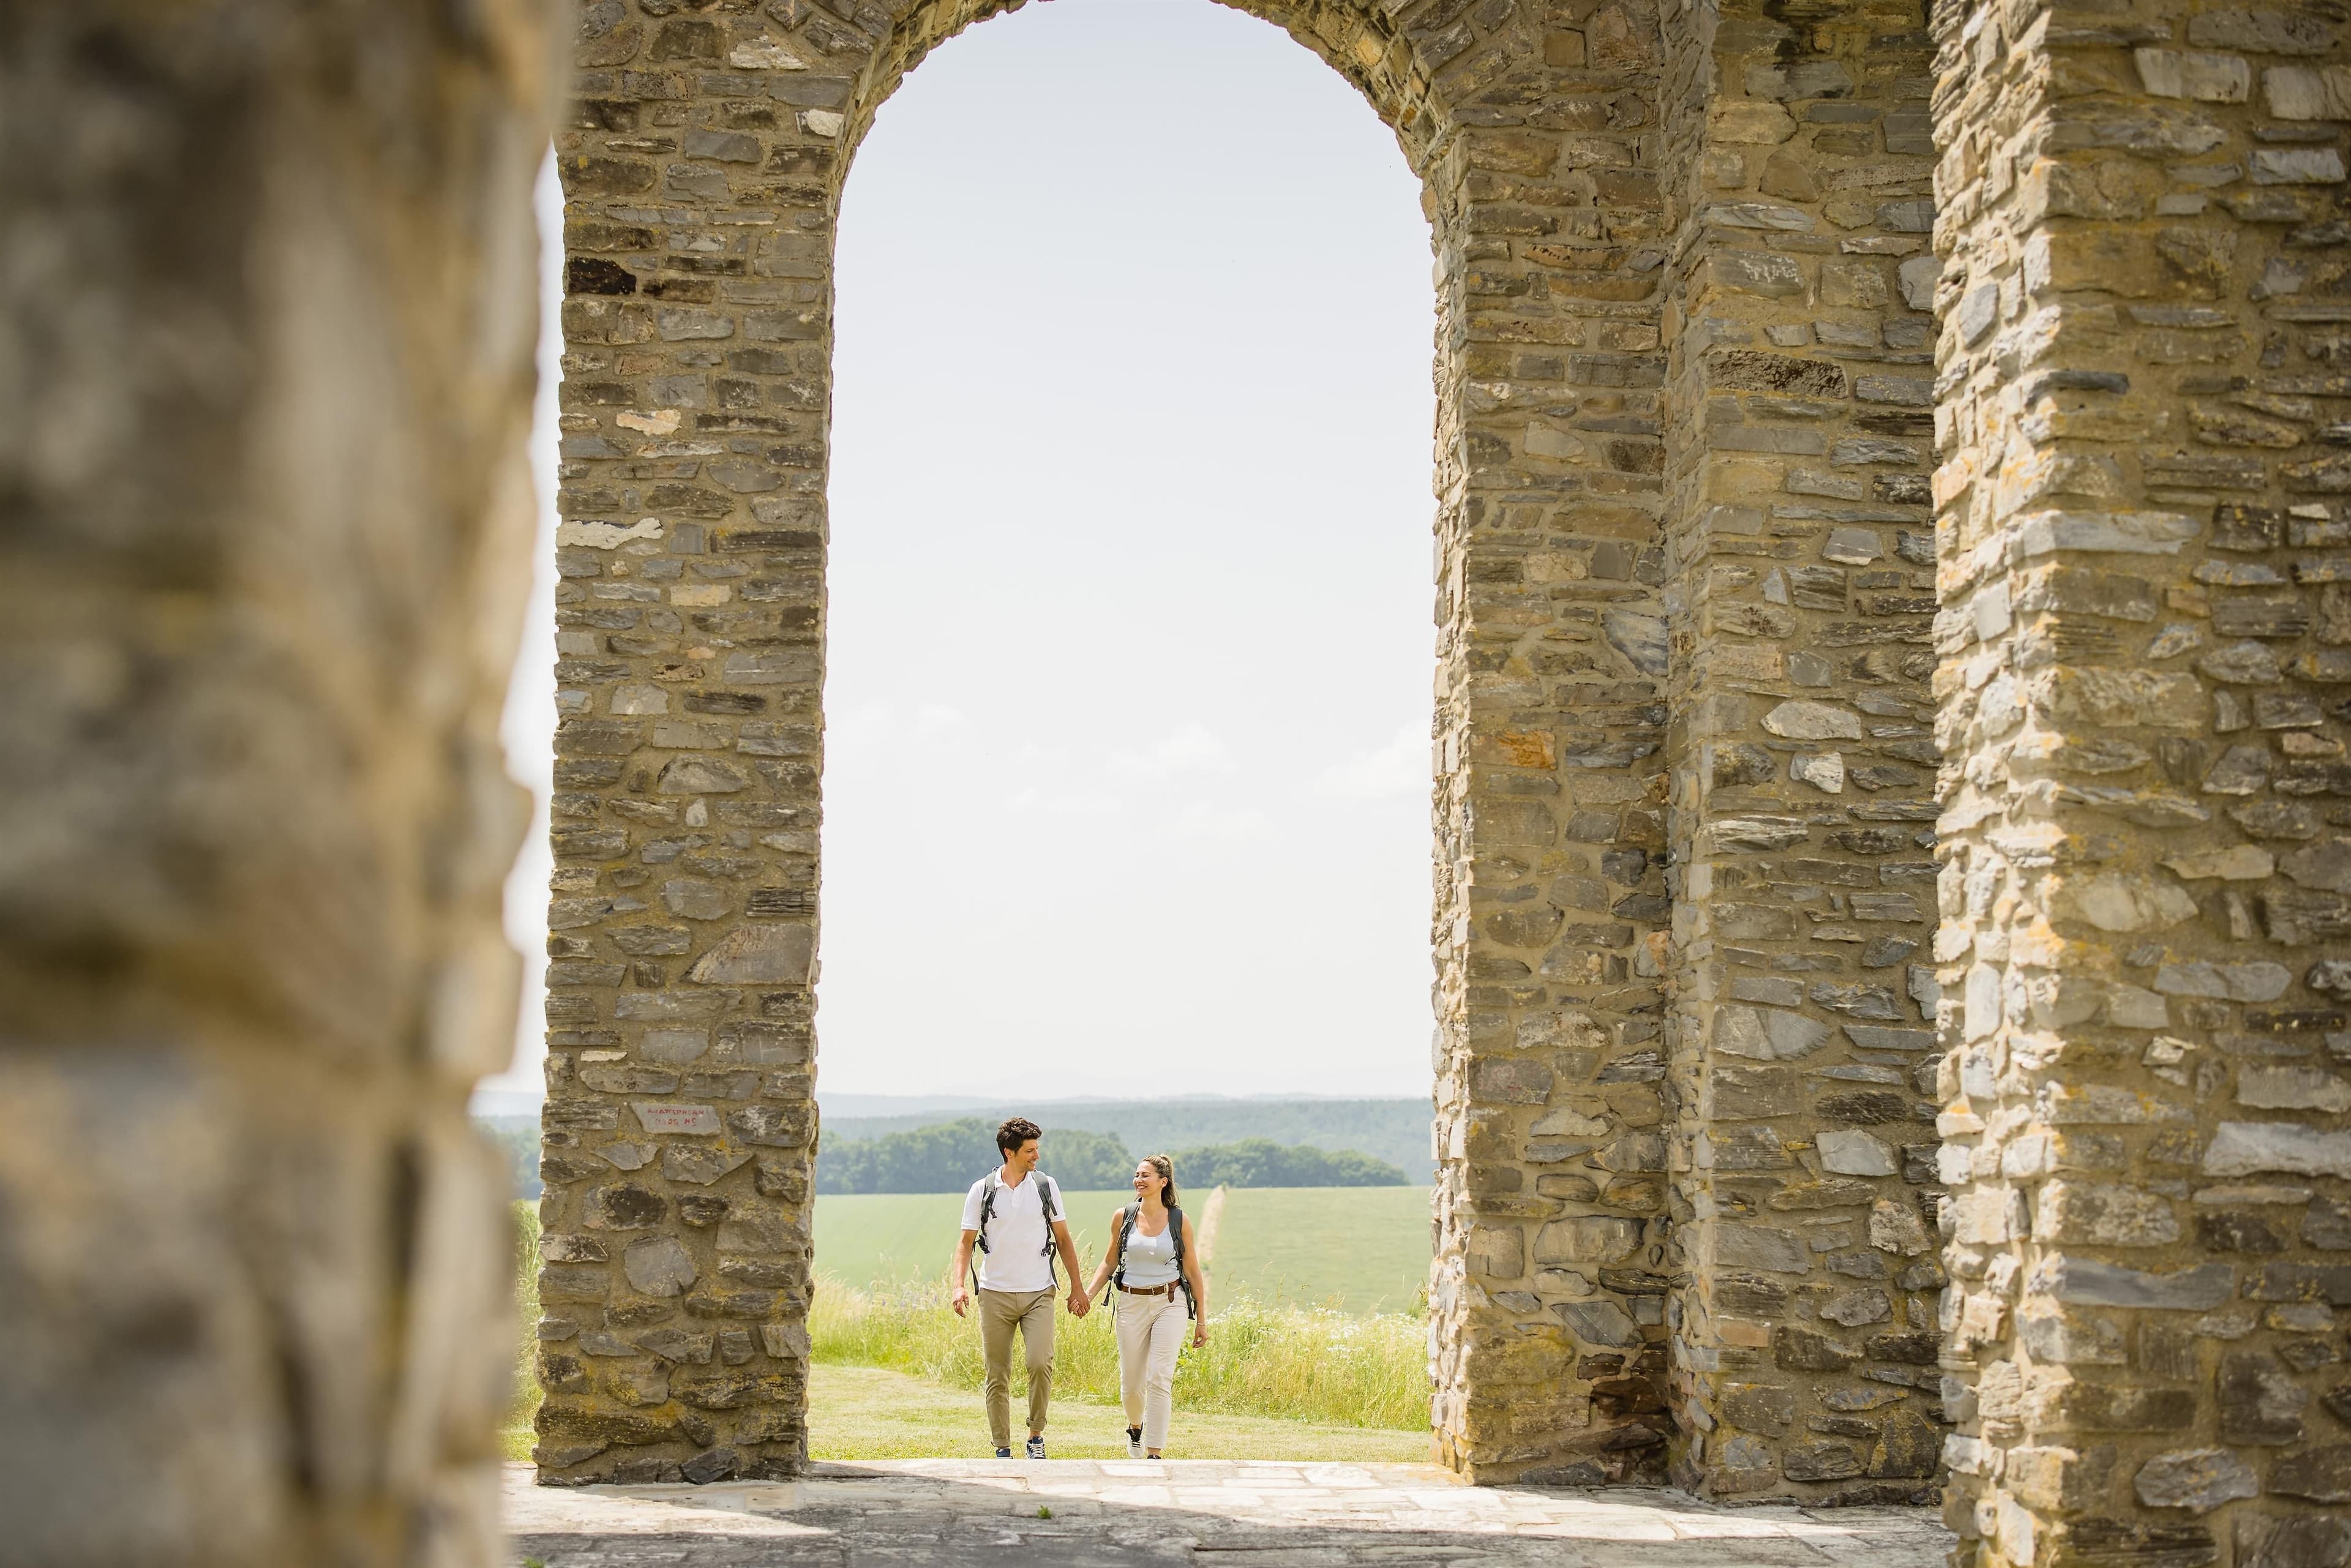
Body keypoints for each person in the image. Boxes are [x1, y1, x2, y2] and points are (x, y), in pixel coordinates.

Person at [950, 1117, 1089, 1458]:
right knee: (997, 1373)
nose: (1036, 1156)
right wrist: (958, 1286)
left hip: (1039, 1291)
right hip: (994, 1294)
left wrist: (1078, 1288)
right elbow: (965, 1243)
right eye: (1030, 1150)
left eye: (1037, 1149)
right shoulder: (981, 1190)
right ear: (1008, 1152)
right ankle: (1002, 1447)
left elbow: (1064, 1239)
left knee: (1041, 1362)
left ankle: (1036, 1435)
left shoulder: (1046, 1186)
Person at [1083, 1153, 1209, 1459]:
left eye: (1146, 1175)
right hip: (1130, 1302)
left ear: (1163, 1182)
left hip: (1170, 1302)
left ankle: (1154, 1453)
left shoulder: (1179, 1220)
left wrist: (1202, 1321)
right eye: (1137, 1175)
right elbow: (1109, 1261)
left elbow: (1193, 1272)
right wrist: (1085, 1295)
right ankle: (1135, 1428)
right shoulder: (1123, 1216)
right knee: (1132, 1383)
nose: (1138, 1180)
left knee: (1159, 1376)